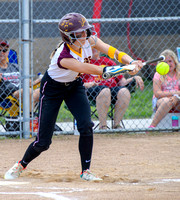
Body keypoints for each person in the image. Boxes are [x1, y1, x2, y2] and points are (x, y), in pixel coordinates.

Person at [4, 13, 143, 181]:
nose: (85, 35)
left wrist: (131, 61)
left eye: (85, 31)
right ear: (69, 37)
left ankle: (86, 171)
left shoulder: (88, 40)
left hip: (74, 85)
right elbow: (96, 70)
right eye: (80, 33)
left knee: (86, 126)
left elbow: (112, 51)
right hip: (52, 90)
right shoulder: (63, 57)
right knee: (43, 143)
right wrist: (126, 69)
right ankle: (21, 164)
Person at [82, 49, 144, 129]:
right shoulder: (84, 63)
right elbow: (77, 83)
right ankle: (103, 126)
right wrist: (88, 84)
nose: (94, 49)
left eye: (96, 47)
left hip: (112, 88)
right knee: (105, 91)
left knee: (124, 92)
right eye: (91, 47)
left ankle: (117, 125)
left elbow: (122, 82)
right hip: (92, 90)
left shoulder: (108, 62)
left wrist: (134, 78)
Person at [0, 39, 40, 111]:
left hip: (26, 90)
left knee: (45, 91)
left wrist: (40, 80)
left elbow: (29, 82)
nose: (1, 53)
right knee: (28, 92)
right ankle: (29, 119)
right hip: (11, 94)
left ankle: (43, 119)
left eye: (4, 50)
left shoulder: (15, 66)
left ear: (8, 53)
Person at [149, 49, 180, 128]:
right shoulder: (158, 74)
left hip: (177, 99)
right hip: (161, 100)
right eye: (165, 62)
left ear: (175, 62)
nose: (168, 64)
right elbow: (157, 93)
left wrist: (176, 97)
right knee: (167, 101)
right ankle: (152, 126)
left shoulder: (179, 73)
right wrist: (175, 93)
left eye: (170, 61)